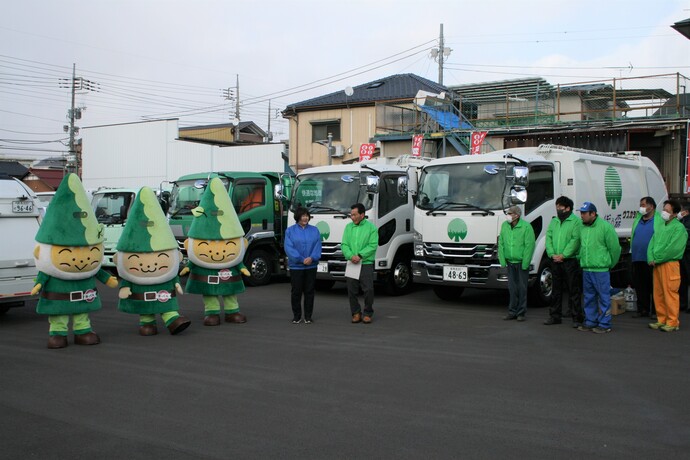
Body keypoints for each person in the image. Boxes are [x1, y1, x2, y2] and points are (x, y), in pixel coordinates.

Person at [577, 201, 621, 334]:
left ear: (593, 214)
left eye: (584, 213)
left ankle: (604, 323)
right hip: (587, 269)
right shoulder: (582, 227)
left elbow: (615, 249)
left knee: (603, 297)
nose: (582, 216)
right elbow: (581, 246)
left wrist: (609, 264)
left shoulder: (605, 227)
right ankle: (591, 321)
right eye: (581, 213)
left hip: (600, 270)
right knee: (589, 297)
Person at [647, 200, 688, 332]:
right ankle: (661, 319)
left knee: (670, 293)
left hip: (669, 264)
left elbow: (673, 249)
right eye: (664, 209)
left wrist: (656, 258)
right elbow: (652, 243)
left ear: (675, 214)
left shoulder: (679, 228)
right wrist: (650, 257)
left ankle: (672, 321)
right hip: (658, 264)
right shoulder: (661, 226)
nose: (664, 212)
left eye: (668, 211)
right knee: (658, 293)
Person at [544, 196, 583, 327]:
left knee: (574, 290)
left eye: (560, 207)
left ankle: (577, 317)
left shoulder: (576, 221)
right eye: (557, 207)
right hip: (555, 260)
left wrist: (564, 255)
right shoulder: (554, 221)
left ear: (568, 208)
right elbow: (548, 237)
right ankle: (555, 316)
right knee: (556, 290)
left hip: (570, 261)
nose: (558, 209)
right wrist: (551, 253)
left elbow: (575, 240)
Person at [342, 203, 378, 324]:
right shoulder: (348, 227)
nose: (352, 217)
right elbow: (344, 245)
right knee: (351, 290)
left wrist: (360, 255)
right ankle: (356, 313)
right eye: (351, 215)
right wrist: (351, 256)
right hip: (352, 262)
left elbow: (373, 245)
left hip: (366, 262)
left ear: (362, 215)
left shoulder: (371, 228)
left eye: (354, 214)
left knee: (368, 290)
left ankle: (368, 312)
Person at [284, 207, 322, 324]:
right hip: (296, 267)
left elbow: (318, 246)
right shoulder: (290, 231)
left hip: (311, 266)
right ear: (298, 217)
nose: (305, 218)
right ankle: (297, 316)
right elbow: (289, 248)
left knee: (309, 291)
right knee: (296, 291)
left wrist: (312, 258)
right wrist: (301, 259)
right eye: (303, 215)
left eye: (307, 215)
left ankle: (308, 316)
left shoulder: (315, 230)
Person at [498, 205, 536, 322]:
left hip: (521, 262)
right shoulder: (505, 226)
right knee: (512, 288)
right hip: (510, 262)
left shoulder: (526, 227)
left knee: (522, 288)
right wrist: (502, 260)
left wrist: (525, 263)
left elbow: (529, 246)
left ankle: (521, 312)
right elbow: (501, 243)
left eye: (510, 213)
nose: (508, 215)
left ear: (516, 215)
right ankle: (512, 311)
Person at [630, 197, 662, 318]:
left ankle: (655, 311)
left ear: (651, 207)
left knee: (654, 286)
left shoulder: (658, 220)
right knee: (640, 285)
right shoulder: (638, 219)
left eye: (643, 205)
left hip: (651, 259)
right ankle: (642, 309)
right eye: (640, 204)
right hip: (637, 257)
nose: (641, 207)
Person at [678, 203, 690, 313]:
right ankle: (683, 303)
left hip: (686, 253)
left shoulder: (686, 222)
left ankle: (684, 303)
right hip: (683, 253)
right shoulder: (682, 221)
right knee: (682, 280)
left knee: (685, 279)